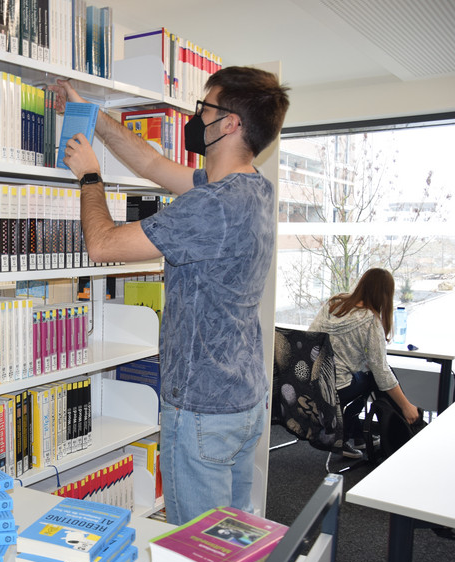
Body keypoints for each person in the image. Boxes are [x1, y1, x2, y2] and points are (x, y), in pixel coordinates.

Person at [51, 66, 290, 525]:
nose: (198, 116)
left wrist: (90, 177)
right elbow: (151, 165)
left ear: (230, 123)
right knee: (231, 541)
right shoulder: (252, 190)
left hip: (202, 410)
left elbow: (103, 244)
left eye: (206, 108)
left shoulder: (211, 207)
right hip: (242, 400)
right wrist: (92, 116)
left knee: (197, 554)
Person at [309, 267, 420, 459]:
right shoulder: (370, 320)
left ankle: (358, 433)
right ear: (385, 295)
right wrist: (406, 405)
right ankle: (382, 436)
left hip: (310, 379)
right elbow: (382, 373)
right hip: (335, 387)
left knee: (371, 374)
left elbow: (312, 336)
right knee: (375, 379)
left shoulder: (335, 302)